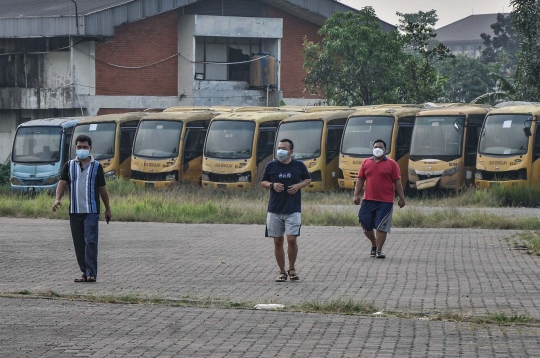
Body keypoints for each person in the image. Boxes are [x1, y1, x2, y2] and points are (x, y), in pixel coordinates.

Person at [52, 134, 112, 283]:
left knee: (90, 241)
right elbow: (62, 184)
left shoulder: (96, 167)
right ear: (75, 148)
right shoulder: (69, 165)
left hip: (91, 211)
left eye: (85, 147)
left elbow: (102, 189)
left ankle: (92, 273)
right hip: (75, 211)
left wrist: (107, 208)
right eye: (79, 147)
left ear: (90, 148)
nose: (82, 150)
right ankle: (85, 272)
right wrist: (57, 199)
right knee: (79, 244)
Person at [261, 139, 311, 282]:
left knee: (291, 239)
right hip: (275, 209)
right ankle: (282, 271)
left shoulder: (299, 165)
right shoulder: (271, 165)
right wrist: (272, 185)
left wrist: (298, 186)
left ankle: (292, 268)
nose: (280, 150)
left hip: (293, 209)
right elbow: (263, 182)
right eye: (279, 147)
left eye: (284, 148)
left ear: (291, 151)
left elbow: (308, 179)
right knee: (277, 241)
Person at [353, 139, 405, 259]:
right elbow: (360, 179)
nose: (378, 148)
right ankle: (374, 243)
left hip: (385, 201)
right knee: (364, 221)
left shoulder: (392, 164)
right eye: (376, 146)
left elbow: (397, 182)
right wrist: (356, 195)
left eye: (381, 147)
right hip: (368, 200)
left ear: (385, 150)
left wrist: (401, 198)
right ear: (372, 148)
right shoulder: (366, 163)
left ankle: (379, 250)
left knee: (382, 226)